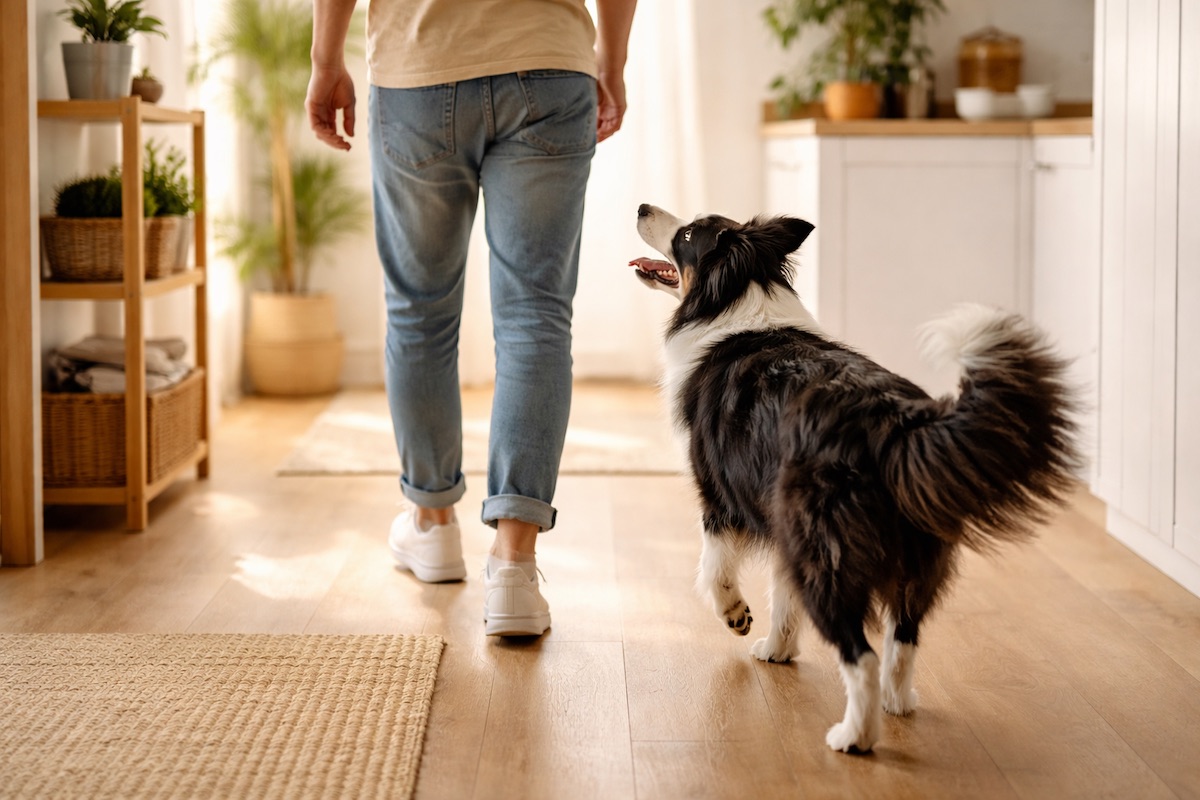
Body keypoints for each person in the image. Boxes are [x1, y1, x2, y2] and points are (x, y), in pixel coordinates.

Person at [306, 0, 637, 637]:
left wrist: (327, 60)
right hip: (548, 63)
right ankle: (514, 564)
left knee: (419, 311)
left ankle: (432, 526)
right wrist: (611, 61)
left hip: (419, 68)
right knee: (536, 317)